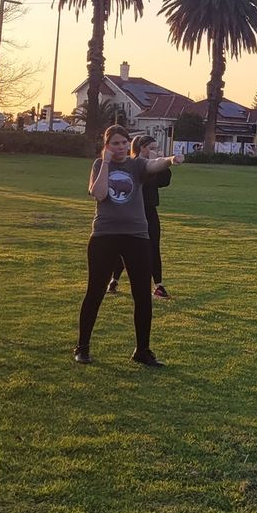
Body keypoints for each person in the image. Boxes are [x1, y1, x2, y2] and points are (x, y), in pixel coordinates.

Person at [76, 125, 179, 366]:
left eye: (124, 143)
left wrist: (171, 159)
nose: (121, 147)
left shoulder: (137, 165)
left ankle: (142, 350)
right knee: (95, 292)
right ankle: (82, 347)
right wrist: (106, 163)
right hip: (105, 235)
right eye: (115, 143)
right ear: (107, 146)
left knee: (142, 294)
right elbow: (99, 194)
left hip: (136, 236)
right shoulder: (99, 165)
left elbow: (154, 165)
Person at [106, 135, 173, 300]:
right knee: (124, 249)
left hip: (149, 211)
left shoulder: (154, 165)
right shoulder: (133, 165)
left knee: (153, 248)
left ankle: (158, 286)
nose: (155, 151)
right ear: (141, 148)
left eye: (156, 148)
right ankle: (113, 280)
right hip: (132, 212)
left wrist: (161, 163)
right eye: (151, 148)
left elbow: (165, 181)